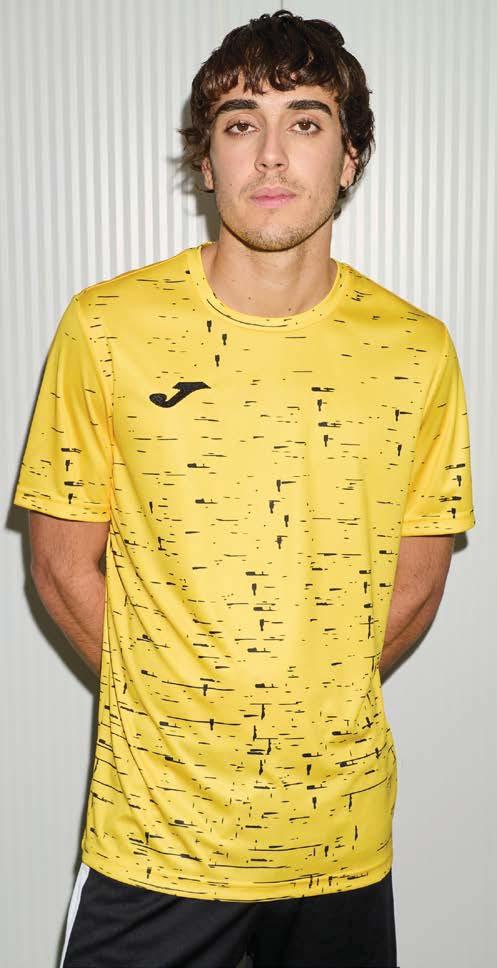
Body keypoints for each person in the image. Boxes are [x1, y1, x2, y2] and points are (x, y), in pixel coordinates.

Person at [13, 9, 476, 968]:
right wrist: (174, 711)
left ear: (349, 157)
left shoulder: (417, 350)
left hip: (339, 842)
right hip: (158, 840)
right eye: (239, 124)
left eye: (304, 121)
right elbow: (59, 566)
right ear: (205, 160)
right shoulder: (106, 327)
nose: (270, 153)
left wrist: (307, 706)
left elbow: (418, 579)